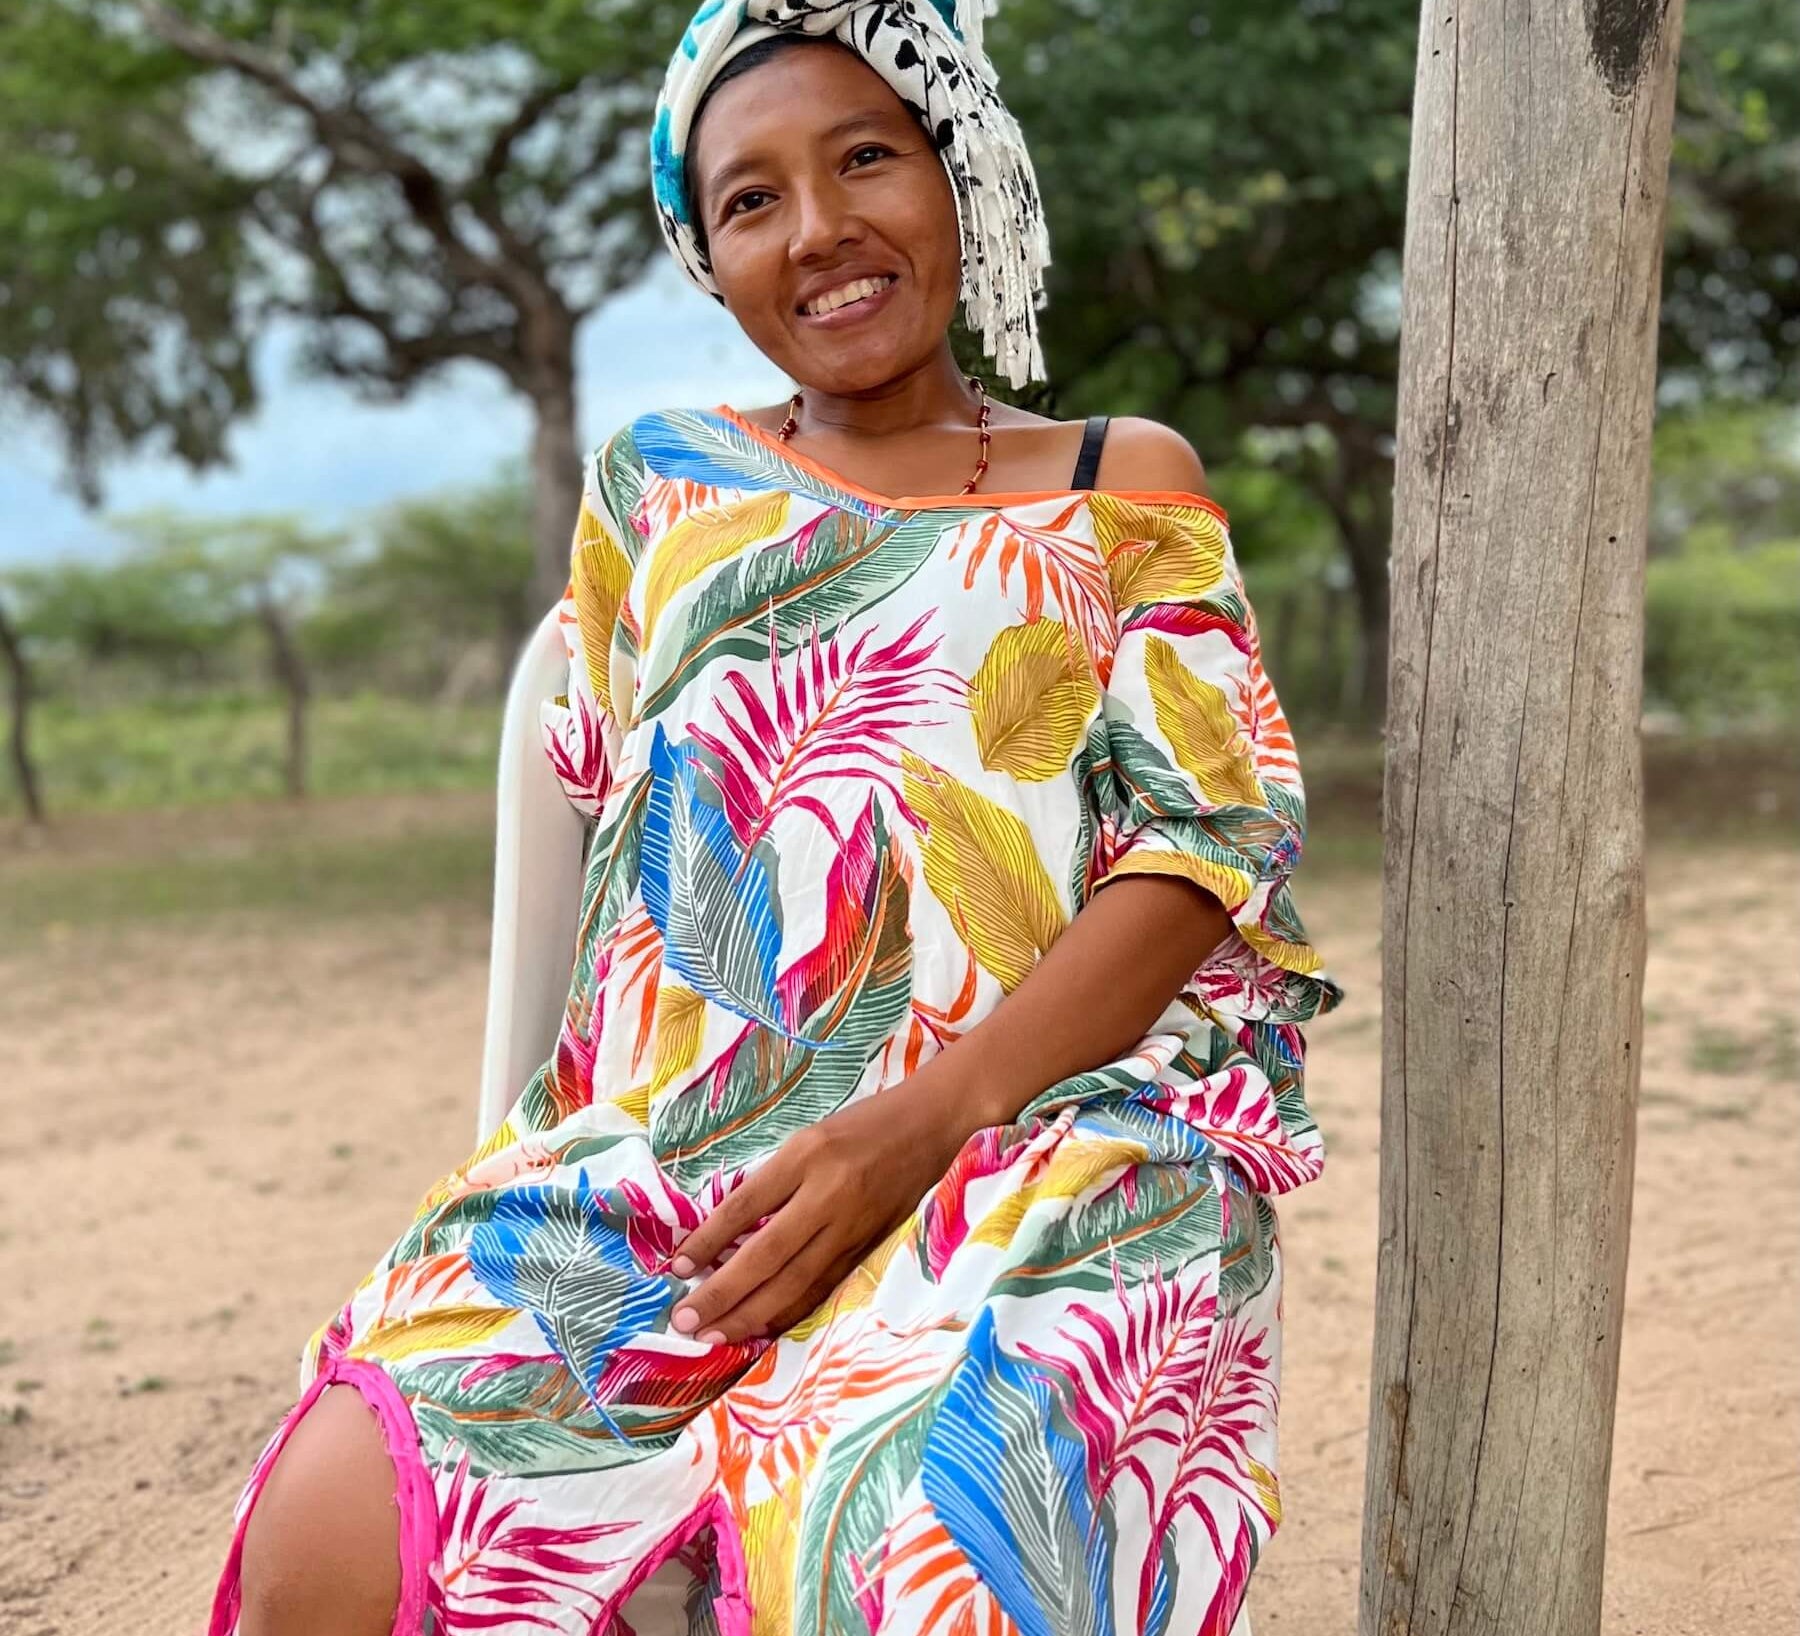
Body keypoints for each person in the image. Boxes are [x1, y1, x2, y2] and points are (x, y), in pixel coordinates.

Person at [206, 3, 1343, 1632]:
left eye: (866, 157)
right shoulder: (657, 484)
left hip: (1033, 1148)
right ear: (710, 256)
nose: (819, 231)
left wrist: (924, 1118)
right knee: (340, 1524)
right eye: (751, 200)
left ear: (961, 174)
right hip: (679, 1159)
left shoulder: (1122, 479)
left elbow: (1200, 850)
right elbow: (614, 813)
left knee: (924, 1539)